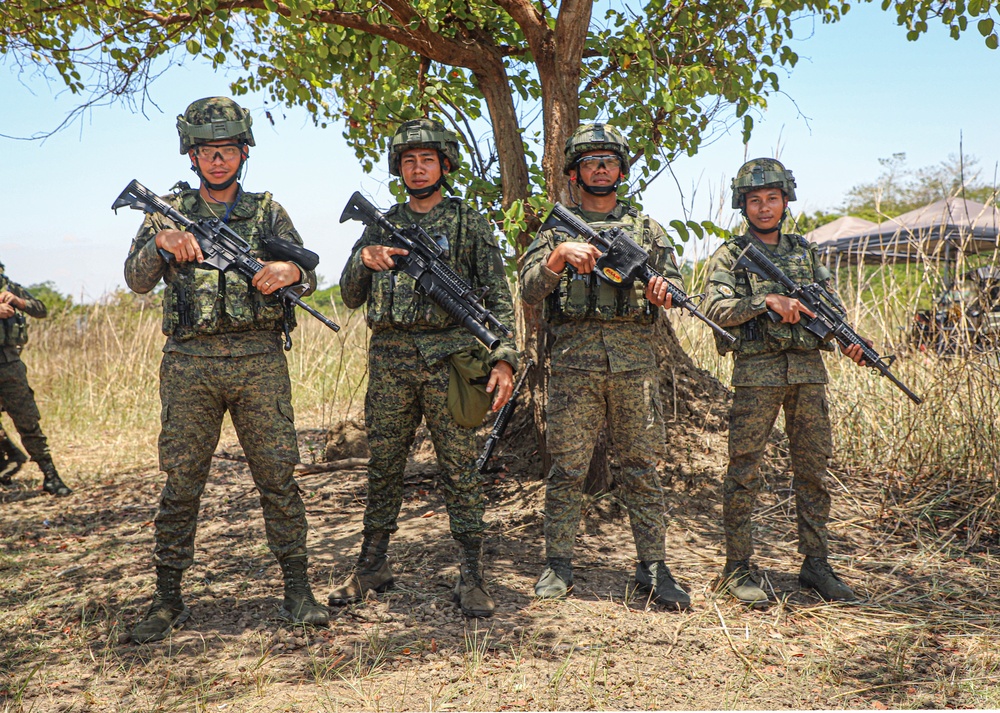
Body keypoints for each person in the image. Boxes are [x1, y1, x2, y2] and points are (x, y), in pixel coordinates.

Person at [124, 97, 328, 643]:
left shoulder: (266, 212)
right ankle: (167, 598)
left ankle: (297, 589)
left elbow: (306, 272)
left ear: (244, 153)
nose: (218, 160)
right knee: (182, 481)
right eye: (207, 151)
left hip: (259, 361)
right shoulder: (164, 211)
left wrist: (289, 272)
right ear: (191, 155)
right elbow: (136, 280)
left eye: (228, 150)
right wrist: (161, 245)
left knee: (278, 478)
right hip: (190, 365)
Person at [332, 118, 518, 618]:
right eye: (409, 161)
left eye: (427, 160)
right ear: (398, 168)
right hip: (390, 360)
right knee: (384, 466)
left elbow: (499, 296)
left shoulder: (469, 223)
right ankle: (372, 565)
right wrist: (363, 260)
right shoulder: (380, 224)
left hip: (451, 362)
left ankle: (473, 573)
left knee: (461, 468)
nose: (418, 169)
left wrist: (504, 357)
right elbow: (350, 296)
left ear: (445, 165)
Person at [519, 123, 690, 610]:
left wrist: (666, 293)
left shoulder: (647, 229)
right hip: (574, 364)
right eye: (590, 162)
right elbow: (530, 290)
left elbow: (675, 285)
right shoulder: (555, 229)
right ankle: (557, 563)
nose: (600, 168)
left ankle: (653, 566)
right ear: (575, 173)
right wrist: (556, 256)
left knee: (641, 467)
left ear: (621, 170)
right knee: (568, 468)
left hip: (635, 365)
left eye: (608, 161)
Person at [704, 158, 866, 606]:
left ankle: (816, 564)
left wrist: (850, 342)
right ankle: (737, 567)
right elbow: (714, 310)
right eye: (754, 200)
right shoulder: (729, 255)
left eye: (771, 198)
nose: (764, 207)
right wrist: (765, 300)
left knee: (813, 472)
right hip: (756, 375)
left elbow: (832, 311)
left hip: (808, 374)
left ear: (785, 200)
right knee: (744, 471)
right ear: (743, 205)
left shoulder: (806, 252)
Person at [0, 263, 71, 496]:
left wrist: (19, 302)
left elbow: (40, 309)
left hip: (9, 365)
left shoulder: (8, 286)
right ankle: (9, 459)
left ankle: (50, 475)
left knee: (28, 420)